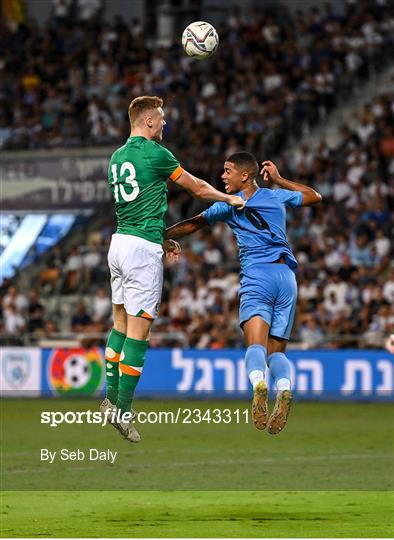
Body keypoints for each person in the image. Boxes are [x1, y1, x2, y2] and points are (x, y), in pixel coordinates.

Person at [101, 96, 245, 443]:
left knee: (119, 323)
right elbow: (196, 187)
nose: (164, 124)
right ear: (148, 121)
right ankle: (123, 410)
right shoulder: (157, 154)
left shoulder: (117, 157)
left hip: (119, 243)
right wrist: (230, 199)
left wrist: (161, 238)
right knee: (140, 333)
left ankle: (109, 397)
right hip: (141, 251)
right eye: (161, 119)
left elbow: (136, 207)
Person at [165, 152, 322, 435]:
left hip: (257, 276)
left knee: (255, 347)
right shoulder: (275, 197)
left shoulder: (227, 206)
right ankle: (284, 389)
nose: (222, 176)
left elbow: (192, 224)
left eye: (227, 171)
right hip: (287, 277)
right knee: (277, 352)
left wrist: (160, 236)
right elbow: (314, 196)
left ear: (245, 176)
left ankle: (259, 385)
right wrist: (278, 179)